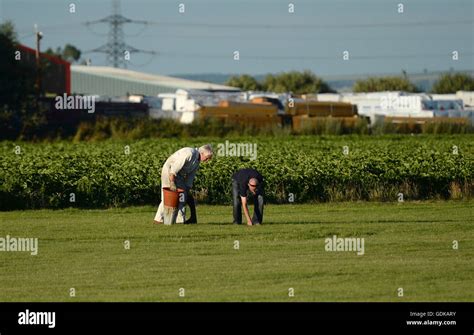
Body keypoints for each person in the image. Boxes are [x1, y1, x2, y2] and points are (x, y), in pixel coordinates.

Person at [154, 144, 213, 224]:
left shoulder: (197, 161)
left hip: (178, 174)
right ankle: (159, 219)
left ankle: (180, 220)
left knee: (182, 196)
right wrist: (172, 182)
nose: (207, 161)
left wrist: (187, 188)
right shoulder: (189, 153)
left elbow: (191, 175)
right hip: (170, 170)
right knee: (169, 196)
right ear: (202, 153)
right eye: (207, 158)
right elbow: (175, 166)